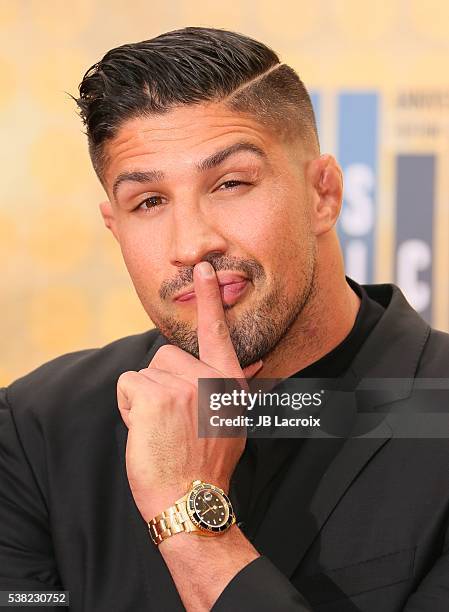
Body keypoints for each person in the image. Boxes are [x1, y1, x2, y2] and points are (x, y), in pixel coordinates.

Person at [1, 26, 449, 612]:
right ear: (115, 227)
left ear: (325, 194)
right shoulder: (36, 429)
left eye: (231, 183)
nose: (191, 244)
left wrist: (191, 523)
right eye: (150, 202)